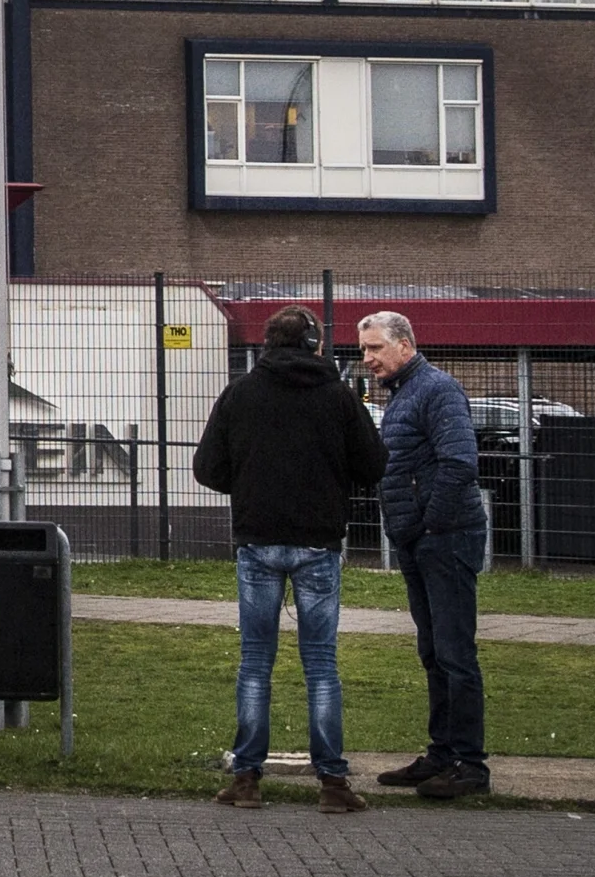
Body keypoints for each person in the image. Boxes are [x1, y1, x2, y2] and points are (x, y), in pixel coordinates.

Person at [194, 304, 387, 813]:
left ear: (268, 344)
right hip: (318, 544)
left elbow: (207, 467)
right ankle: (332, 784)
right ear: (315, 346)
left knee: (255, 661)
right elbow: (373, 465)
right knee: (320, 663)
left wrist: (249, 484)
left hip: (257, 541)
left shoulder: (241, 394)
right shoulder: (338, 398)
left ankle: (246, 779)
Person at [361, 309, 487, 798]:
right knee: (434, 652)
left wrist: (427, 523)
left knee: (456, 654)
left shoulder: (437, 390)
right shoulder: (403, 396)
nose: (367, 358)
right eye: (364, 349)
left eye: (374, 348)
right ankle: (442, 753)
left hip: (444, 537)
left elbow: (460, 464)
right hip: (418, 539)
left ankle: (470, 765)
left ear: (405, 345)